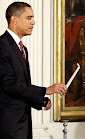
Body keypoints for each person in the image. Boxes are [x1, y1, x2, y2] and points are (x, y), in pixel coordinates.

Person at [0, 2, 67, 139]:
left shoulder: (23, 49)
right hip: (8, 127)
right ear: (14, 19)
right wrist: (45, 90)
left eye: (33, 18)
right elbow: (9, 85)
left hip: (22, 126)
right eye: (29, 17)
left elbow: (21, 86)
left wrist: (39, 100)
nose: (33, 22)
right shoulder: (2, 45)